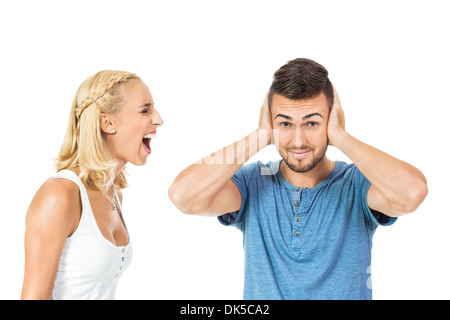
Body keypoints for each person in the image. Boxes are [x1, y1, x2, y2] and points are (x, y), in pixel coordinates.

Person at [168, 58, 428, 299]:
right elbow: (183, 196)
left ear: (331, 121)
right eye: (285, 124)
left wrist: (341, 137)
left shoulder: (357, 184)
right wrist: (259, 136)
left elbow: (412, 193)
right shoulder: (252, 182)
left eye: (312, 123)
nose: (298, 140)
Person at [21, 70, 163, 299]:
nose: (158, 119)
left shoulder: (114, 195)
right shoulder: (59, 195)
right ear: (107, 123)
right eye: (145, 110)